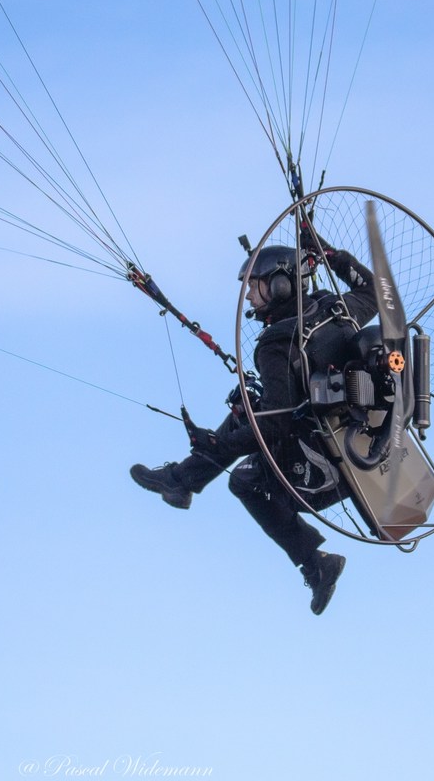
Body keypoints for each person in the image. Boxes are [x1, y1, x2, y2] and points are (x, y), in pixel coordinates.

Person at [130, 235, 377, 615]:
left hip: (328, 470)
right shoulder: (336, 309)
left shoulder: (276, 345)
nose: (248, 296)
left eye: (254, 286)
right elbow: (375, 291)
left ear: (280, 285)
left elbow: (276, 426)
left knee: (245, 480)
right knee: (248, 409)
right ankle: (182, 481)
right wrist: (329, 254)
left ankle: (315, 564)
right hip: (367, 448)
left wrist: (220, 445)